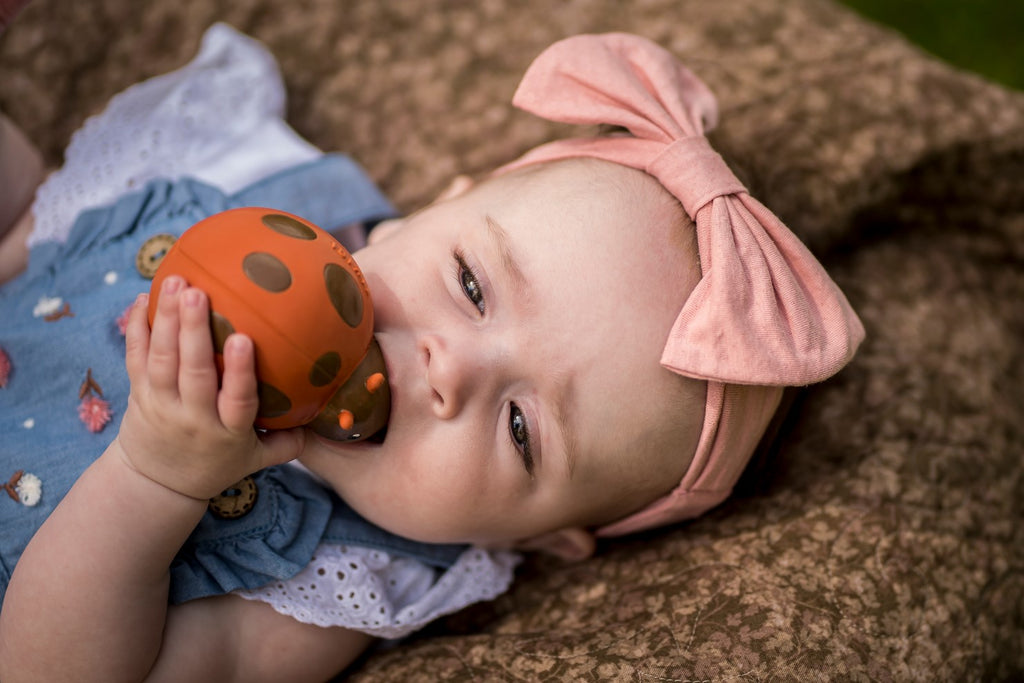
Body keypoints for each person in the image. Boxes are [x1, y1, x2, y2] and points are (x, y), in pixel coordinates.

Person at [0, 21, 863, 683]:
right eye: (474, 285)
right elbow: (48, 224)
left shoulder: (344, 582)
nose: (450, 368)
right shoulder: (266, 179)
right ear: (438, 206)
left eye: (522, 429)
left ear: (546, 538)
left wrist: (157, 477)